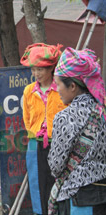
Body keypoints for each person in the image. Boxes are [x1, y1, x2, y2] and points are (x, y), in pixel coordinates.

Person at [47, 47, 106, 215]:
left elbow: (56, 166)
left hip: (77, 197)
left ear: (72, 86)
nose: (56, 90)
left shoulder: (65, 117)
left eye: (58, 84)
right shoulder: (103, 111)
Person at [21, 43, 67, 214]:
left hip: (60, 144)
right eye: (33, 70)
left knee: (59, 182)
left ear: (51, 68)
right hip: (35, 143)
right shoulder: (28, 91)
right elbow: (26, 118)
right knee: (37, 184)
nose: (36, 74)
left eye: (40, 69)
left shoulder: (62, 88)